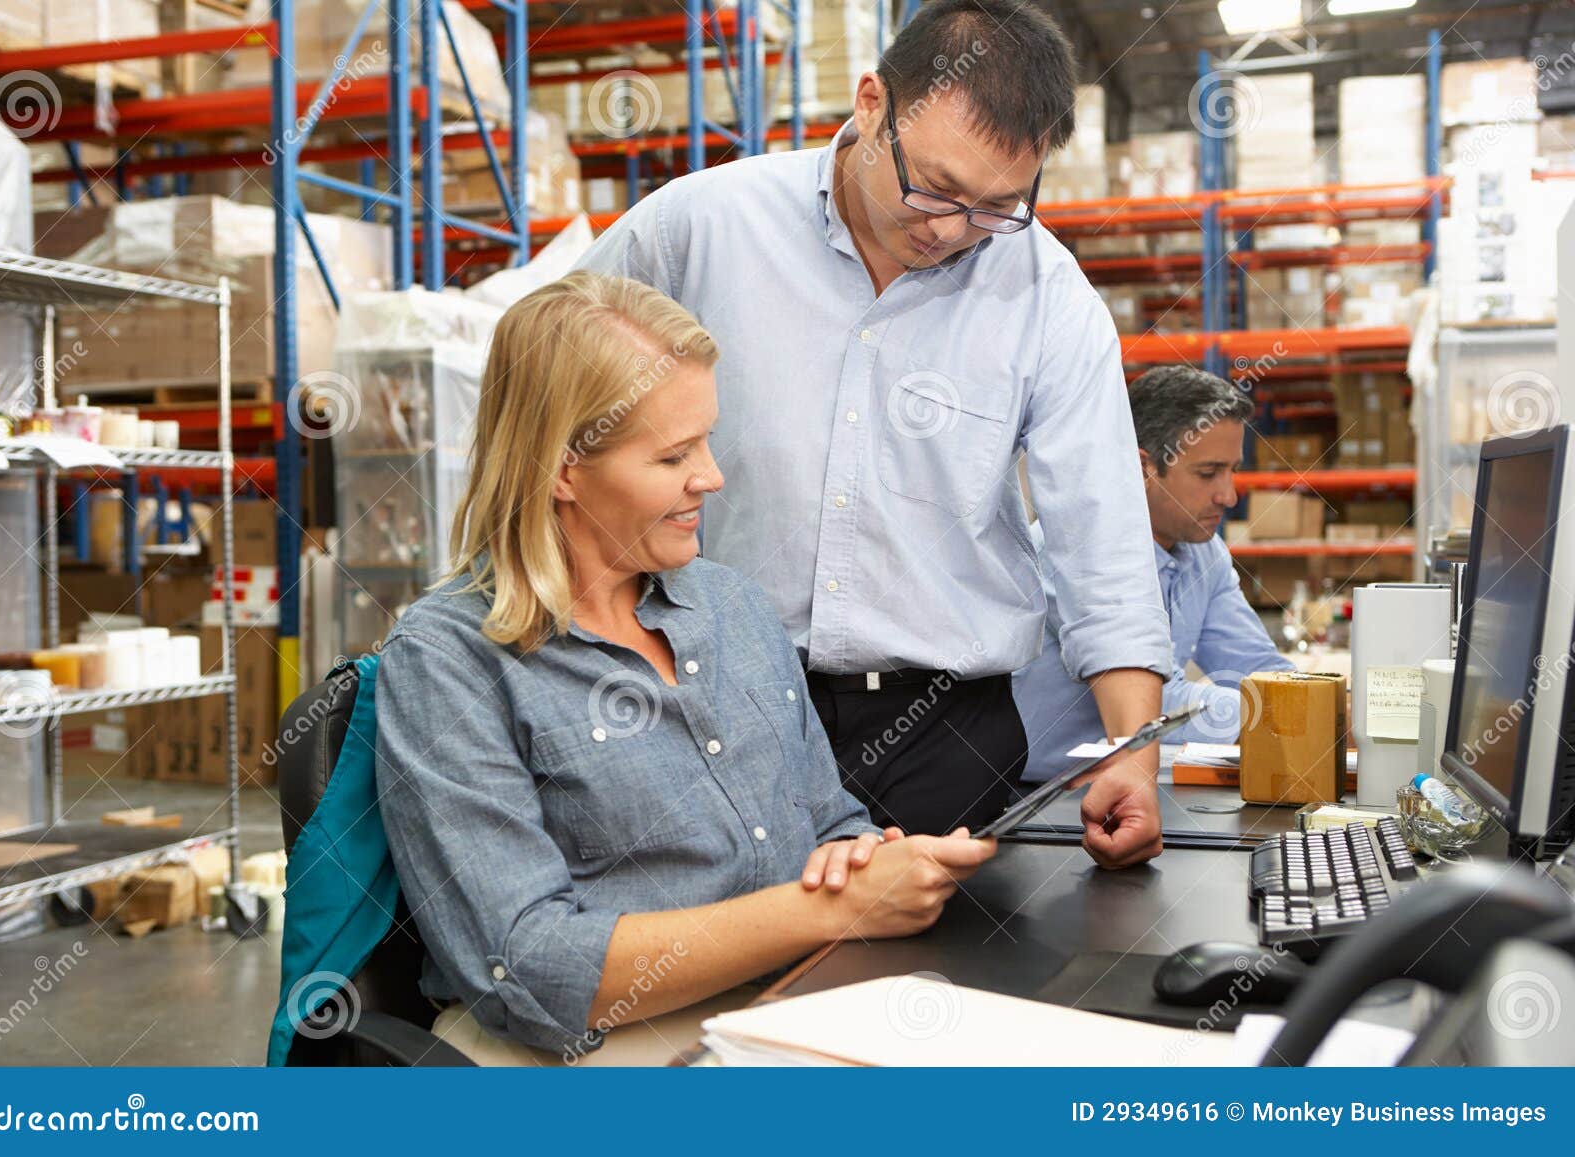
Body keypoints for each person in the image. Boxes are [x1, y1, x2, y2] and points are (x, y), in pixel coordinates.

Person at [578, 0, 1171, 862]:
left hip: (944, 734)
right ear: (871, 105)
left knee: (938, 945)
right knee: (715, 934)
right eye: (934, 186)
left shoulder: (1048, 296)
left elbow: (1104, 545)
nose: (951, 229)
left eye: (997, 206)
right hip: (709, 699)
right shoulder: (698, 228)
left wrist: (1133, 755)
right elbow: (544, 386)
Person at [373, 273, 997, 1066]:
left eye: (706, 440)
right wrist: (830, 911)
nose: (711, 475)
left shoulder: (733, 607)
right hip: (588, 1045)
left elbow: (828, 820)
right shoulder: (447, 660)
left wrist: (865, 859)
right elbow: (528, 971)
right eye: (673, 455)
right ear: (562, 469)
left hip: (786, 997)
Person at [1013, 365, 1297, 783]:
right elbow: (1155, 701)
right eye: (1208, 473)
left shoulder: (1204, 553)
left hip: (1136, 780)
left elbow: (1256, 668)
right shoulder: (1073, 552)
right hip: (1044, 795)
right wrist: (1286, 714)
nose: (1229, 495)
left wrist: (1313, 700)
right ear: (1142, 468)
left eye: (1232, 470)